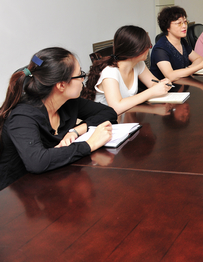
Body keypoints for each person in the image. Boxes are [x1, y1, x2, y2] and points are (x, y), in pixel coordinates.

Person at [0, 47, 116, 190]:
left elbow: (108, 112)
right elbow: (37, 161)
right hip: (15, 193)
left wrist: (75, 131)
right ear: (61, 85)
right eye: (80, 75)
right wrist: (90, 144)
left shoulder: (67, 102)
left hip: (52, 181)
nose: (83, 79)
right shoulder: (22, 116)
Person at [82, 25, 173, 115]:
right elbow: (116, 108)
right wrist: (152, 94)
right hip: (104, 119)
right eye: (149, 46)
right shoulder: (110, 72)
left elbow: (153, 83)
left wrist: (162, 84)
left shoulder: (138, 64)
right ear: (137, 50)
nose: (149, 49)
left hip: (125, 116)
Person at [150, 6, 203, 81]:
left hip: (183, 83)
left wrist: (187, 70)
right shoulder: (160, 48)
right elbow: (170, 76)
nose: (184, 26)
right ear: (167, 27)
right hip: (166, 87)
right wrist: (201, 66)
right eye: (179, 23)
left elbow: (198, 58)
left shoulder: (182, 41)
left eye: (185, 22)